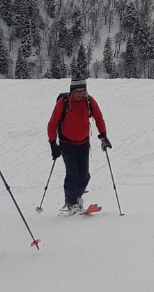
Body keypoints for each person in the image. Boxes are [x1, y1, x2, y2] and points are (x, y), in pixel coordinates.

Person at [47, 76, 111, 215]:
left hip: (83, 144)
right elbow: (52, 124)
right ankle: (71, 203)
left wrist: (103, 135)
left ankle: (76, 197)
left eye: (83, 91)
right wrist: (53, 143)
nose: (81, 94)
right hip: (67, 144)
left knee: (85, 176)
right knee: (72, 175)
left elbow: (99, 118)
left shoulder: (89, 101)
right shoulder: (63, 103)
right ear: (72, 91)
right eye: (78, 91)